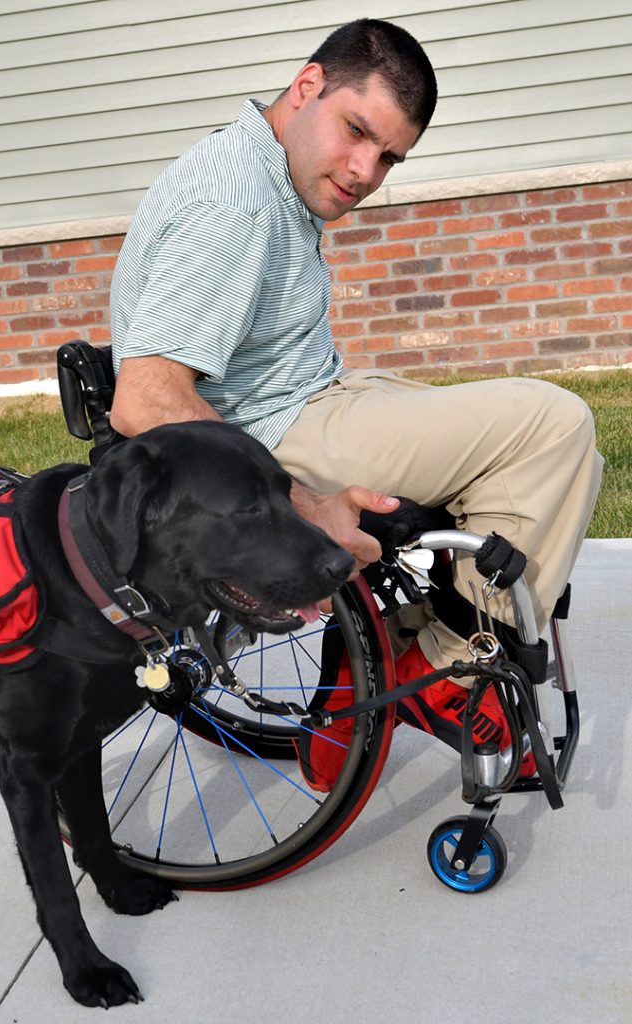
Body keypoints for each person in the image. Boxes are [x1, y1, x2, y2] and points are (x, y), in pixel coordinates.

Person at [108, 18, 603, 790]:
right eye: (355, 132)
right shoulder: (232, 204)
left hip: (310, 399)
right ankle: (440, 664)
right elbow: (142, 399)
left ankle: (387, 668)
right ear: (307, 86)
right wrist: (301, 504)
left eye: (388, 156)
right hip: (275, 436)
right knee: (555, 424)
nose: (365, 170)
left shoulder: (260, 166)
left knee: (564, 457)